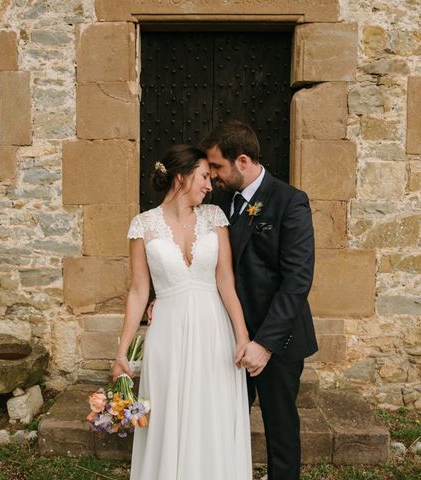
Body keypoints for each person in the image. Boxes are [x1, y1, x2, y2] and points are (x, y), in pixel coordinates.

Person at [110, 144, 253, 480]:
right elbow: (138, 290)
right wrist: (122, 355)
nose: (209, 184)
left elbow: (226, 281)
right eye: (204, 176)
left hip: (213, 329)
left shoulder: (215, 218)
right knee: (169, 414)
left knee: (211, 414)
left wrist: (242, 337)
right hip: (168, 333)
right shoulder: (143, 225)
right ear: (181, 176)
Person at [201, 120, 317, 480]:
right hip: (228, 338)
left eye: (218, 167)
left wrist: (264, 344)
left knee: (280, 427)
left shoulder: (289, 201)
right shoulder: (217, 200)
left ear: (243, 161)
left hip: (276, 341)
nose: (212, 176)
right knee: (222, 423)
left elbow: (297, 280)